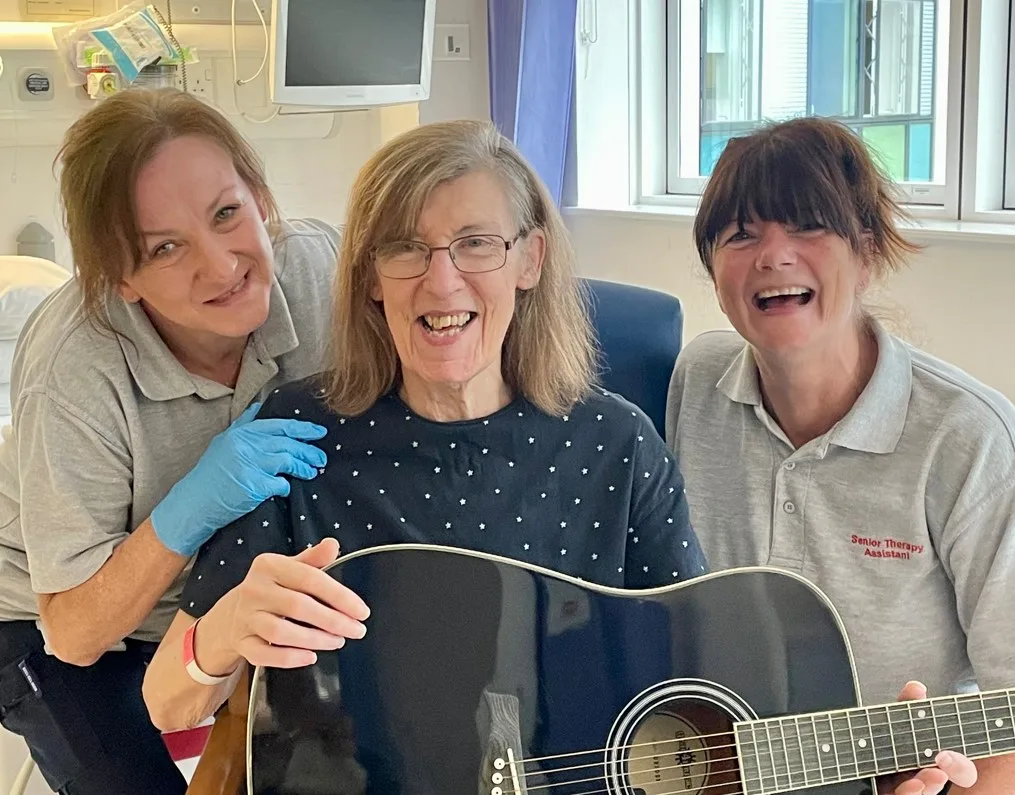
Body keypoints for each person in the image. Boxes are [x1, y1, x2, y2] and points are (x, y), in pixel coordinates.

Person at [144, 119, 974, 795]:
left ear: (530, 259)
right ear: (369, 275)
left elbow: (702, 707)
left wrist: (864, 770)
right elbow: (164, 701)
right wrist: (214, 642)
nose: (442, 283)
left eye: (475, 243)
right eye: (407, 248)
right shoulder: (297, 436)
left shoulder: (615, 443)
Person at [0, 88, 339, 795]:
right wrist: (191, 507)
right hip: (51, 618)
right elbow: (74, 630)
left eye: (226, 213)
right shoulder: (71, 369)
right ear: (120, 276)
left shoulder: (318, 271)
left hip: (235, 596)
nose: (221, 266)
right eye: (165, 247)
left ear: (261, 199)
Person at [666, 116, 1013, 793]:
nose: (772, 254)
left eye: (805, 226)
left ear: (866, 252)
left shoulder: (969, 439)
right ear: (712, 269)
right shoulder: (693, 382)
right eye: (740, 234)